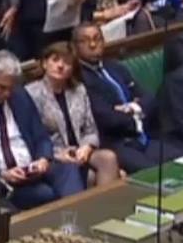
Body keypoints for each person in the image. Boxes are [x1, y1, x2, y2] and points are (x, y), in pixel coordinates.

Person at [0, 49, 85, 208]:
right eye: (2, 87)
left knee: (68, 169)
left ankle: (77, 222)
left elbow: (41, 136)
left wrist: (43, 158)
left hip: (33, 168)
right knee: (45, 194)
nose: (7, 93)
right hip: (3, 181)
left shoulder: (20, 95)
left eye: (11, 87)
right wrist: (3, 175)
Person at [72, 22, 173, 172]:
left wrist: (131, 108)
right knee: (153, 171)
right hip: (116, 143)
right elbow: (106, 118)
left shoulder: (115, 67)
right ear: (75, 46)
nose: (92, 44)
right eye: (85, 41)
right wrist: (137, 112)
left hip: (143, 136)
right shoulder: (78, 78)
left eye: (97, 38)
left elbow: (148, 98)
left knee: (181, 158)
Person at [25, 43, 121, 186]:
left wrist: (86, 147)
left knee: (108, 158)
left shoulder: (79, 90)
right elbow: (34, 138)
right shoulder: (31, 93)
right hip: (53, 157)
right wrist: (58, 155)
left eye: (67, 62)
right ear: (44, 64)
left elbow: (90, 129)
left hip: (80, 153)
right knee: (109, 176)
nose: (60, 66)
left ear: (72, 69)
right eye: (55, 60)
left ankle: (106, 207)